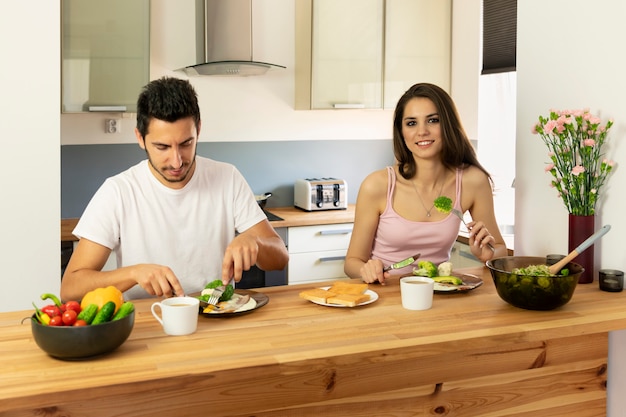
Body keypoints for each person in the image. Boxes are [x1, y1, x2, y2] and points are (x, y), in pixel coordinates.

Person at [61, 77, 289, 300]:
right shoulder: (118, 191)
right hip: (149, 323)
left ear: (198, 129)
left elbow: (280, 259)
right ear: (140, 138)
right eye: (162, 147)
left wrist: (256, 242)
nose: (177, 161)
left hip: (217, 315)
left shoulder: (227, 177)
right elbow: (71, 288)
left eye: (186, 144)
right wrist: (133, 273)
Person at [344, 83, 507, 285]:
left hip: (441, 294)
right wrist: (366, 269)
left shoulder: (472, 181)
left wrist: (487, 254)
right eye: (411, 123)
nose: (422, 131)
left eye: (433, 120)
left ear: (447, 124)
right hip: (386, 295)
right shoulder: (377, 185)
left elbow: (499, 249)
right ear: (401, 132)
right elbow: (352, 262)